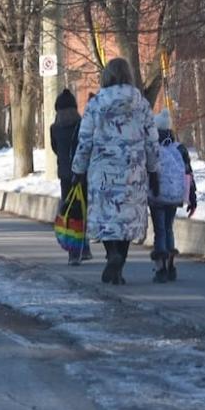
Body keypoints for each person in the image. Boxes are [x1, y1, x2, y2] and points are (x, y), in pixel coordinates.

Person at [71, 58, 159, 285]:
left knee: (107, 217)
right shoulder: (141, 103)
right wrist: (153, 169)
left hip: (103, 173)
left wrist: (78, 170)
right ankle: (119, 263)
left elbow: (85, 140)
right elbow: (152, 140)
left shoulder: (96, 104)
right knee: (127, 218)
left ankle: (112, 255)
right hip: (133, 173)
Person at [148, 109, 198, 283]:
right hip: (174, 196)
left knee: (159, 231)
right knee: (168, 229)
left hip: (156, 196)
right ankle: (171, 267)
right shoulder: (179, 148)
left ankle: (160, 269)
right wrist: (192, 198)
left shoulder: (152, 146)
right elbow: (188, 175)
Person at [50, 89, 92, 265]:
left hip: (65, 176)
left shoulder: (54, 128)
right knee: (82, 211)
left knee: (69, 212)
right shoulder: (82, 125)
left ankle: (74, 252)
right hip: (82, 174)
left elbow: (54, 148)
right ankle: (84, 248)